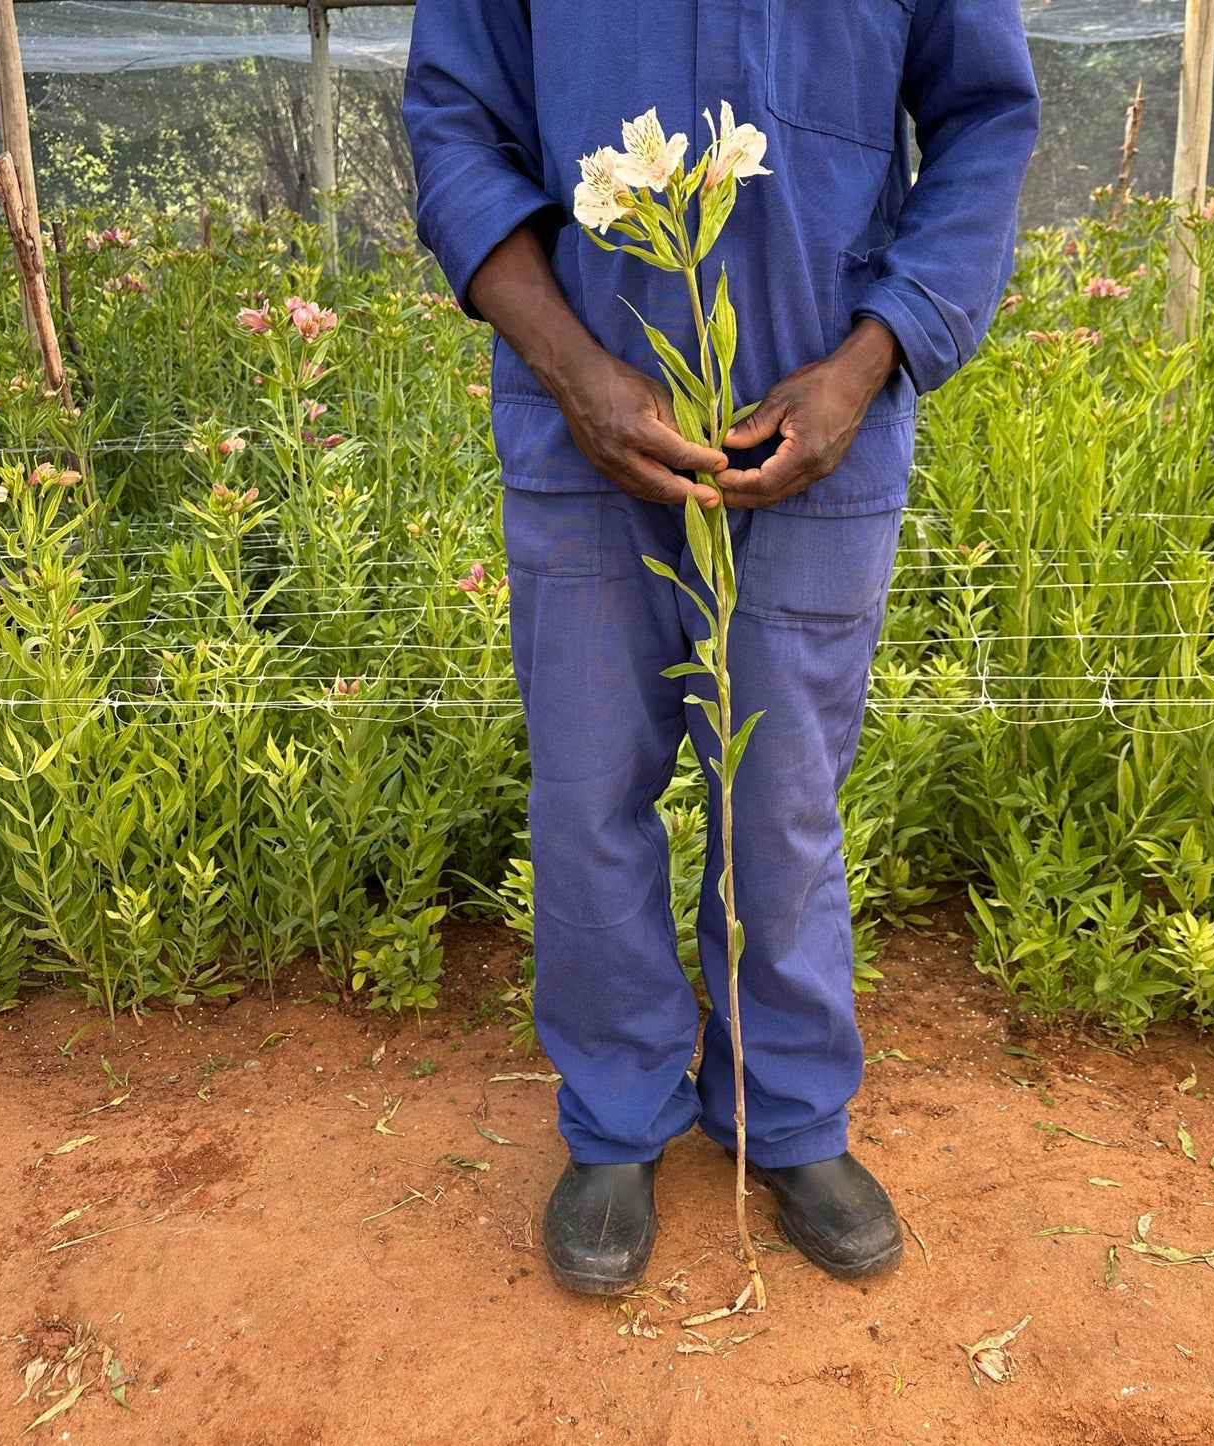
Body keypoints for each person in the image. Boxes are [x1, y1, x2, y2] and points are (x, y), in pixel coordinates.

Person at [404, 1, 1040, 1294]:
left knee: (784, 791)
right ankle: (615, 1115)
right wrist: (574, 368)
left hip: (817, 431)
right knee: (588, 792)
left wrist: (870, 360)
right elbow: (456, 121)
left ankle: (787, 1109)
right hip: (582, 429)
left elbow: (983, 118)